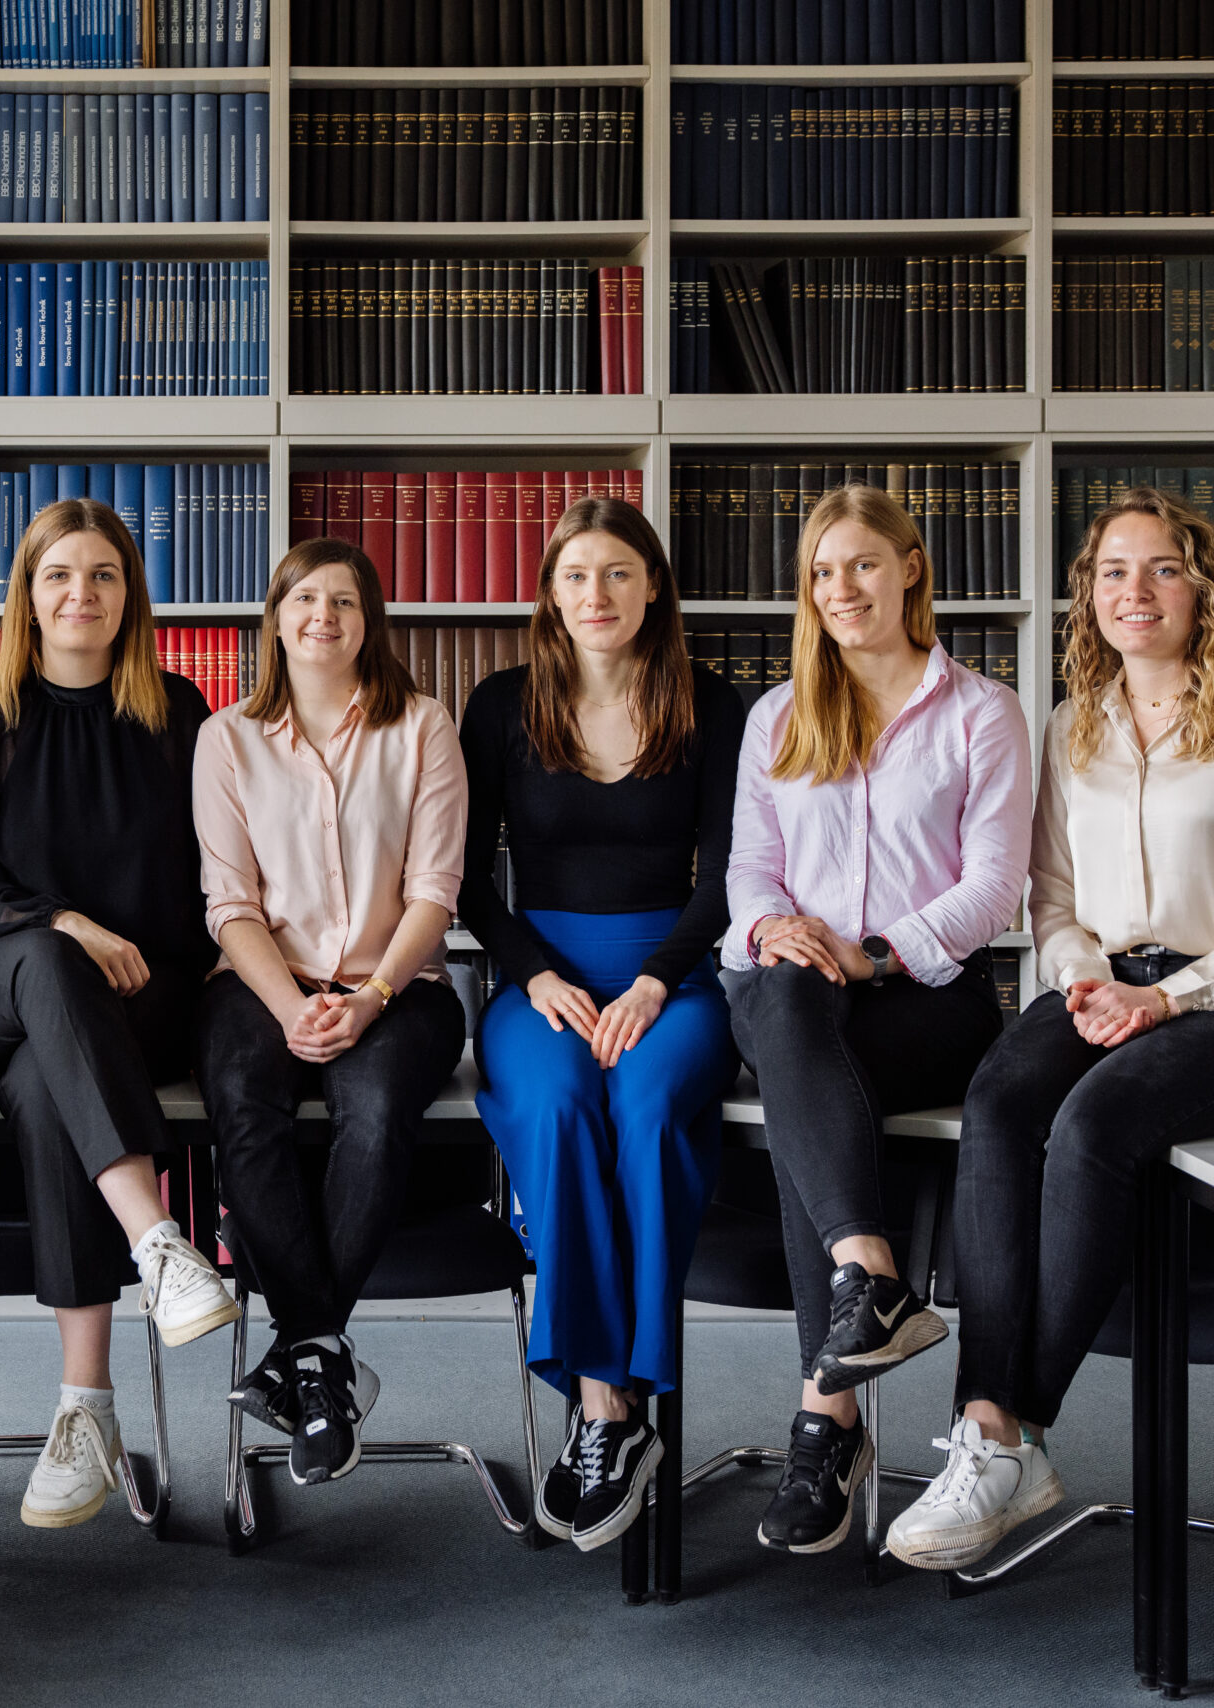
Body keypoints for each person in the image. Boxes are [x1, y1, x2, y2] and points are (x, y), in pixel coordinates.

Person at [887, 488, 1214, 1570]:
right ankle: (986, 1428)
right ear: (1086, 597)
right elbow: (1048, 898)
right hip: (1102, 986)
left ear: (1203, 589)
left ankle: (1013, 1429)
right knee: (1000, 1101)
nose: (1133, 592)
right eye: (1111, 573)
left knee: (1091, 1126)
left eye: (1161, 570)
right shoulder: (1072, 722)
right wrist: (1089, 978)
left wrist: (1168, 995)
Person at [721, 483, 1031, 1556]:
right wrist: (775, 931)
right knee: (782, 999)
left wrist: (879, 948)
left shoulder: (981, 712)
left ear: (910, 568)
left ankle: (828, 1419)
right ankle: (868, 1287)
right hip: (802, 993)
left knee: (793, 1047)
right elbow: (750, 876)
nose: (840, 587)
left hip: (929, 1002)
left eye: (860, 563)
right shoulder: (778, 716)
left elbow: (997, 885)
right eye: (820, 571)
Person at [0, 497, 239, 1531]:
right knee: (48, 974)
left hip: (131, 1003)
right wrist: (61, 923)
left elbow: (211, 876)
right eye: (59, 574)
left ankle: (85, 1407)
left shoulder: (176, 714)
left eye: (102, 575)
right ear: (27, 593)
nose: (80, 594)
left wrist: (146, 963)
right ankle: (156, 1238)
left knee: (46, 1088)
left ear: (128, 597)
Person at [460, 496, 744, 1553]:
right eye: (576, 576)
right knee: (556, 1103)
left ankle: (620, 1388)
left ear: (653, 587)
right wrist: (531, 973)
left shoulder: (713, 706)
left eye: (618, 574)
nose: (596, 596)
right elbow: (461, 882)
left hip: (668, 977)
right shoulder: (498, 706)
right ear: (549, 593)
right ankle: (604, 1406)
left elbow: (726, 882)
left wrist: (657, 982)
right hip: (541, 979)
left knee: (650, 1103)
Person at [193, 535, 470, 1488]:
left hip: (402, 988)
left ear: (369, 622)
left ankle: (303, 1356)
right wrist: (292, 1005)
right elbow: (228, 906)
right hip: (262, 980)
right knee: (242, 1100)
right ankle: (323, 1359)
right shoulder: (226, 738)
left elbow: (437, 890)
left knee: (378, 1109)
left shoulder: (424, 726)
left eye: (344, 601)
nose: (323, 617)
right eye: (304, 599)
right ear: (275, 619)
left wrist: (368, 1000)